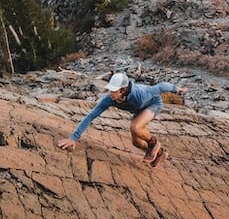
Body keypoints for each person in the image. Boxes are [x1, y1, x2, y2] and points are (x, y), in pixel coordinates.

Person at [57, 72, 185, 167]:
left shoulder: (141, 93)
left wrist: (177, 89)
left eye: (114, 90)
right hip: (138, 111)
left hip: (153, 105)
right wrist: (73, 138)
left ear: (123, 90)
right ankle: (160, 153)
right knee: (136, 142)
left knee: (135, 127)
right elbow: (90, 116)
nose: (110, 93)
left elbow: (161, 87)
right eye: (110, 90)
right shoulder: (109, 99)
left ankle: (154, 144)